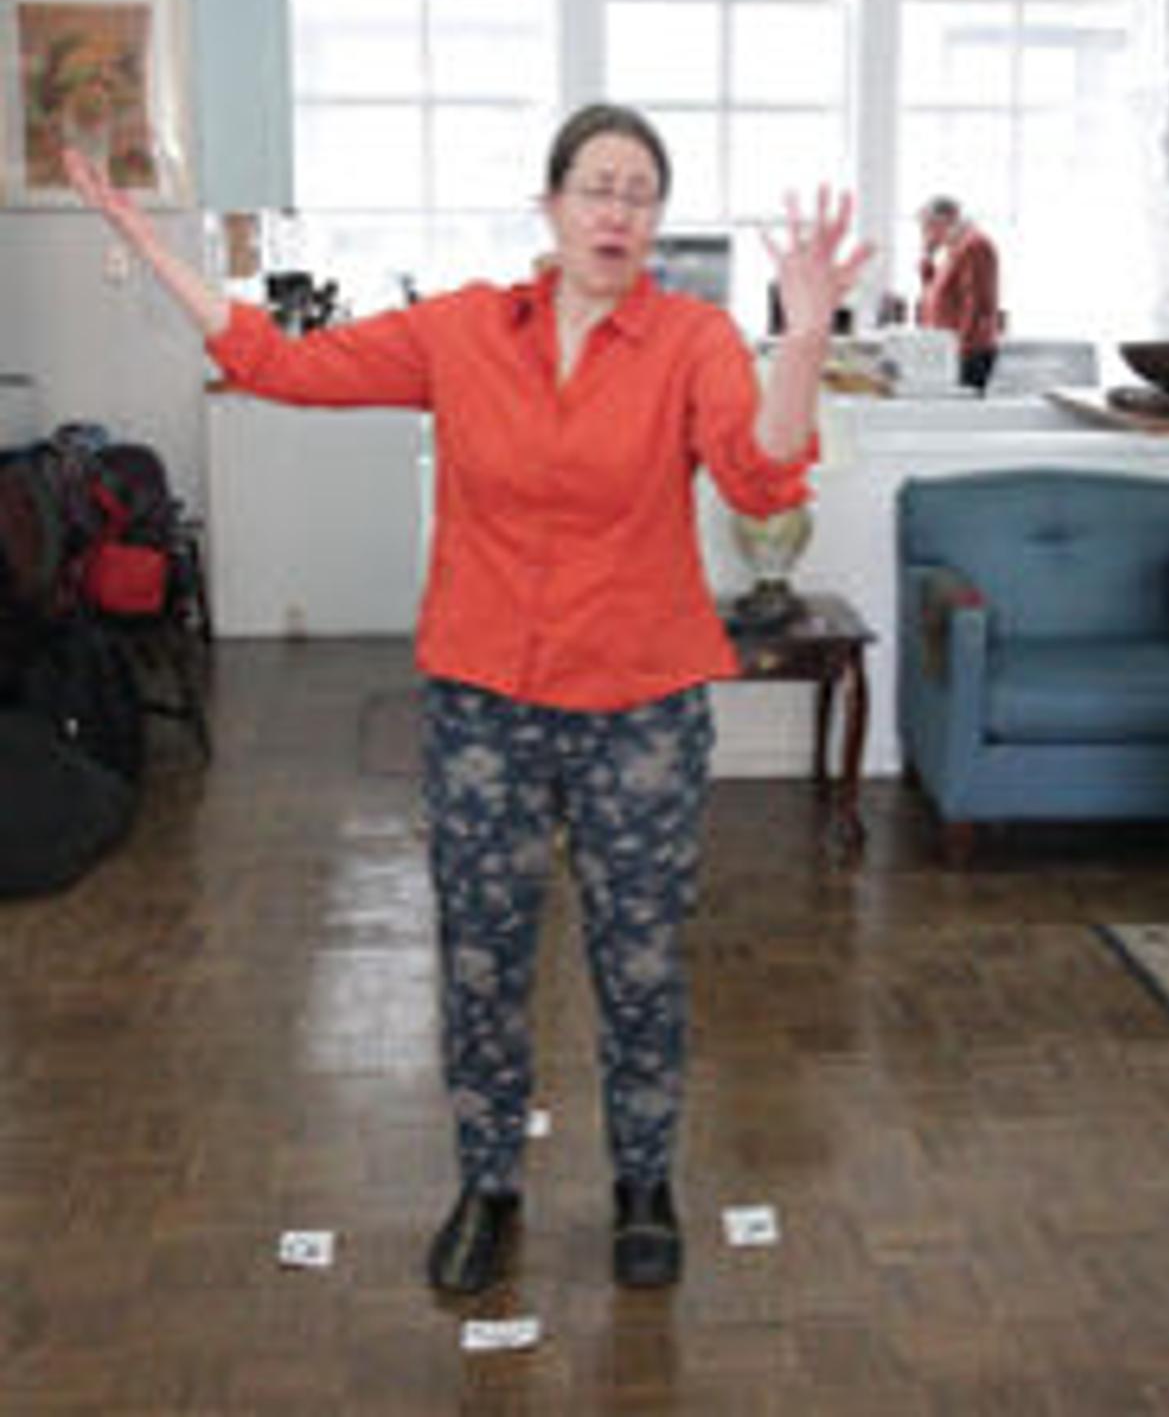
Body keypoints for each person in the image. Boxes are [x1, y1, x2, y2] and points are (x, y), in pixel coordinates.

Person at [61, 104, 870, 1297]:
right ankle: (489, 1183)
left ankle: (644, 1183)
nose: (616, 210)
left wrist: (801, 337)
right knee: (483, 955)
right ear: (549, 205)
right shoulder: (464, 331)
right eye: (595, 185)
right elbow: (279, 362)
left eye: (640, 191)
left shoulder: (692, 338)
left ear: (656, 219)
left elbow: (759, 475)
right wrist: (146, 234)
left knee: (638, 956)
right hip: (486, 700)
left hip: (639, 706)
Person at [916, 195, 1003, 391]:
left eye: (926, 227)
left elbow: (978, 303)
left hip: (969, 351)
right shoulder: (955, 250)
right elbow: (935, 292)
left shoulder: (974, 245)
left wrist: (960, 349)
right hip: (953, 349)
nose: (925, 235)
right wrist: (927, 257)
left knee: (961, 417)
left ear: (944, 221)